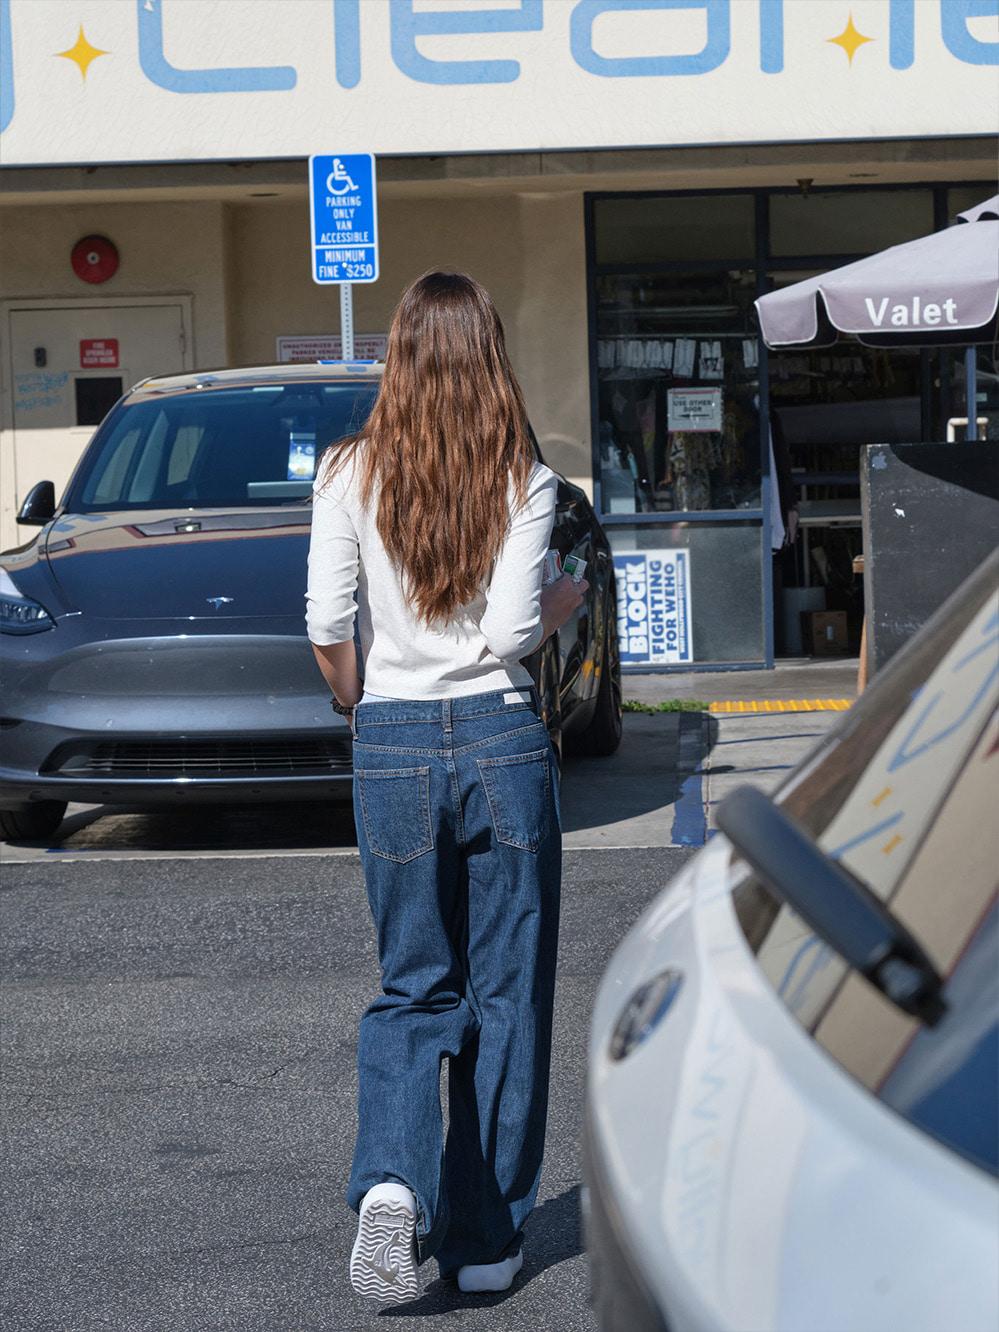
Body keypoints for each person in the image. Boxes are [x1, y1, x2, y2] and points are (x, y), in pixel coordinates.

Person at [305, 271, 586, 1306]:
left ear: (400, 355)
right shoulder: (524, 476)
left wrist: (361, 703)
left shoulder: (347, 470)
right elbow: (511, 633)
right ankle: (485, 1242)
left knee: (413, 983)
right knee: (507, 996)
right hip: (501, 742)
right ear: (490, 356)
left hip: (389, 740)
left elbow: (325, 623)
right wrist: (562, 602)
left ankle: (390, 1181)